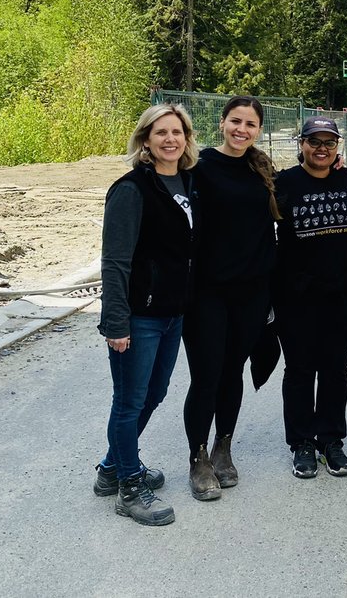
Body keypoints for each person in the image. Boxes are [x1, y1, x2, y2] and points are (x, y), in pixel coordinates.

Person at [95, 103, 198, 526]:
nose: (170, 139)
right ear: (145, 140)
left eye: (177, 132)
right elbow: (115, 261)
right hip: (140, 316)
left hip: (174, 313)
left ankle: (110, 468)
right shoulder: (131, 189)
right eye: (161, 133)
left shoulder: (189, 182)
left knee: (154, 395)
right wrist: (116, 322)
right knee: (129, 401)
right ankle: (128, 487)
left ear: (187, 138)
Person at [184, 96, 279, 501]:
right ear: (221, 123)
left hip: (252, 292)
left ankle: (224, 448)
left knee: (233, 371)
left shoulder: (263, 169)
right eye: (235, 121)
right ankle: (198, 457)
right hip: (207, 291)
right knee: (206, 375)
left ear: (258, 130)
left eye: (251, 124)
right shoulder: (199, 168)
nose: (242, 129)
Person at [274, 117, 347, 480]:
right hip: (296, 296)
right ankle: (301, 443)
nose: (322, 148)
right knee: (299, 370)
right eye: (315, 141)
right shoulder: (284, 183)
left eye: (329, 142)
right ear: (302, 144)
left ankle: (330, 439)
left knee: (334, 370)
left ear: (338, 147)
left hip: (341, 294)